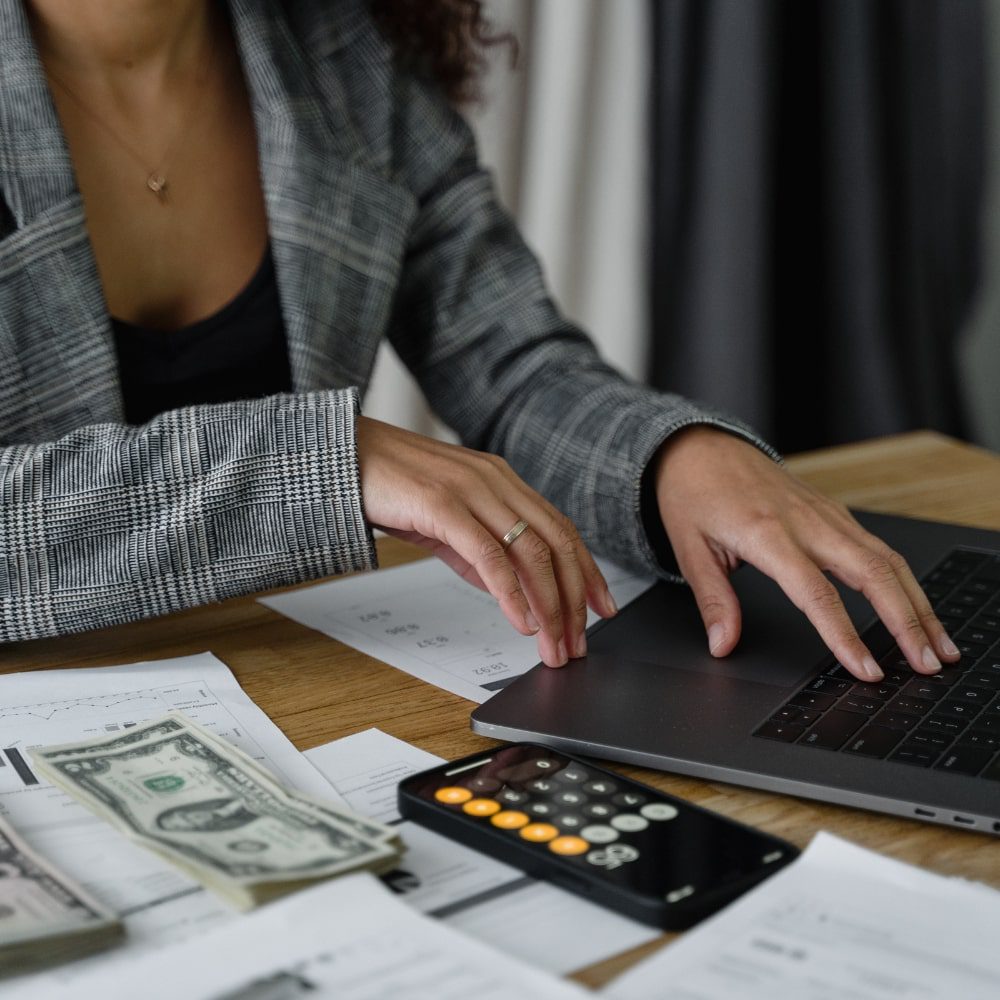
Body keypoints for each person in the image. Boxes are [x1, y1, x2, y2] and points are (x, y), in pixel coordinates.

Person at [0, 0, 958, 685]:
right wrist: (330, 459)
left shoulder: (343, 51)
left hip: (288, 686)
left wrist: (674, 456)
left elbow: (512, 360)